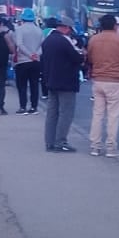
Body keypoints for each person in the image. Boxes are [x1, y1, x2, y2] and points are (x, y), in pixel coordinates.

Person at [84, 14, 119, 156]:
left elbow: (90, 57)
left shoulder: (94, 39)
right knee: (113, 115)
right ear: (115, 25)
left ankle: (95, 146)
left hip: (98, 79)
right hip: (115, 80)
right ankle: (111, 147)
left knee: (97, 114)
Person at [40, 16, 82, 152]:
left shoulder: (48, 40)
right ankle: (61, 142)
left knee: (52, 113)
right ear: (66, 28)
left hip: (51, 81)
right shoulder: (64, 41)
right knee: (66, 113)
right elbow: (76, 58)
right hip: (66, 82)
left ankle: (49, 142)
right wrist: (82, 55)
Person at [12, 9, 43, 114]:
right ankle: (34, 107)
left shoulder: (19, 29)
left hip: (22, 61)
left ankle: (23, 107)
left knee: (22, 85)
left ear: (23, 18)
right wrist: (35, 55)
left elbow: (19, 45)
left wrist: (29, 55)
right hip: (36, 62)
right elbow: (42, 46)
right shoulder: (39, 30)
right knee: (34, 85)